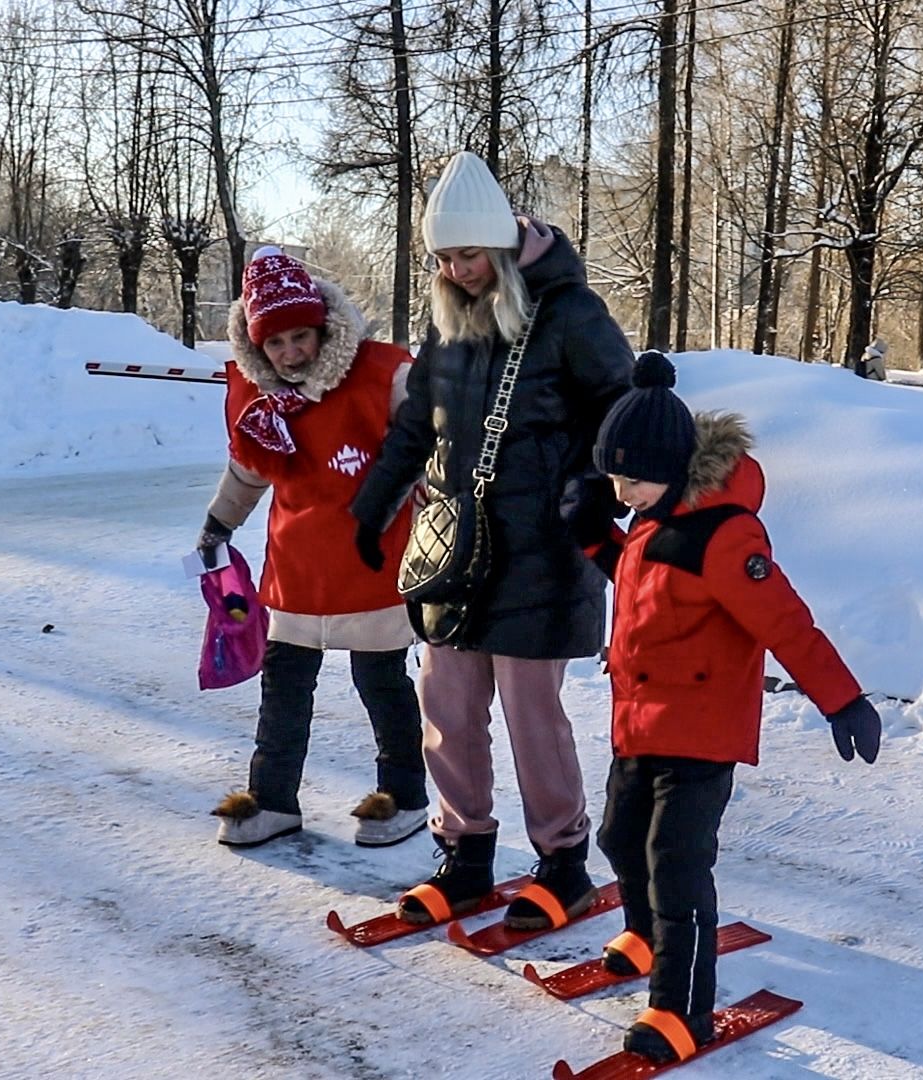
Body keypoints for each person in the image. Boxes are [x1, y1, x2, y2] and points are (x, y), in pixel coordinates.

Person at [350, 150, 633, 930]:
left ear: (504, 247)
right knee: (445, 701)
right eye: (443, 257)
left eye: (468, 254)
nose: (456, 270)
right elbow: (416, 426)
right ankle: (465, 854)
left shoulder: (572, 314)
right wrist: (370, 510)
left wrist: (592, 489)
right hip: (455, 546)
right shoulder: (446, 325)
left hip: (542, 546)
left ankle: (563, 863)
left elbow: (621, 411)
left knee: (529, 714)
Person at [587, 351, 882, 1065]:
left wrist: (841, 699)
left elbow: (784, 622)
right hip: (639, 723)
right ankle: (642, 931)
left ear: (672, 468)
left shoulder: (724, 536)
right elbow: (645, 587)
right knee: (620, 840)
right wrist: (596, 538)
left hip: (700, 733)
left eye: (631, 478)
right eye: (613, 479)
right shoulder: (652, 524)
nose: (620, 491)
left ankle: (680, 1008)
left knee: (676, 866)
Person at [203, 246, 429, 849]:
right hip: (297, 571)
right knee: (283, 690)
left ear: (322, 328)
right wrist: (218, 523)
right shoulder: (264, 402)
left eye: (299, 338)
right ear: (257, 348)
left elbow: (428, 438)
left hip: (371, 564)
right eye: (274, 345)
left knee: (381, 685)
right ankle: (273, 797)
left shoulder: (381, 376)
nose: (289, 353)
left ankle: (403, 795)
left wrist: (438, 482)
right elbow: (249, 471)